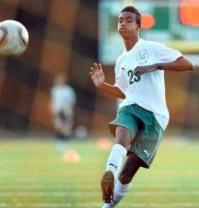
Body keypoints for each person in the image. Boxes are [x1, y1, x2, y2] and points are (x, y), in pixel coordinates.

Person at [89, 6, 193, 208]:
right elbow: (122, 91)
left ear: (138, 26)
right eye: (120, 20)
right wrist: (102, 85)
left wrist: (156, 65)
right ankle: (109, 171)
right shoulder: (121, 60)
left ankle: (110, 203)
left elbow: (186, 64)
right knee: (123, 131)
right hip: (131, 107)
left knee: (128, 173)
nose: (123, 23)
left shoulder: (152, 48)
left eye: (128, 20)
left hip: (156, 116)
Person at [50, 73, 76, 152]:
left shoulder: (68, 90)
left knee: (67, 128)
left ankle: (66, 143)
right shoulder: (55, 90)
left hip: (66, 110)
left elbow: (72, 101)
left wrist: (70, 111)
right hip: (57, 110)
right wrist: (52, 108)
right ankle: (59, 143)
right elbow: (53, 100)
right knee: (58, 126)